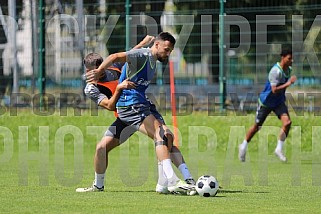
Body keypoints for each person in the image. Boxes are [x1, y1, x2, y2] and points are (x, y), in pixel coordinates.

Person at [77, 35, 195, 194]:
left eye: (102, 67)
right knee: (101, 149)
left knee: (166, 136)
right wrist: (119, 88)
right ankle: (98, 185)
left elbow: (131, 55)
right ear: (89, 71)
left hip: (138, 107)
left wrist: (143, 44)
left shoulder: (114, 67)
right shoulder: (91, 89)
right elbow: (110, 106)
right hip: (126, 111)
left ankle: (174, 182)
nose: (103, 71)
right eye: (98, 70)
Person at [238, 49, 297, 162]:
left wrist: (287, 84)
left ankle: (279, 149)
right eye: (289, 58)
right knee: (257, 126)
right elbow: (274, 90)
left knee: (287, 122)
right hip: (266, 102)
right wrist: (288, 83)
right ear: (283, 57)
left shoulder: (288, 70)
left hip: (278, 102)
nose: (292, 61)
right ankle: (243, 145)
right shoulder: (275, 71)